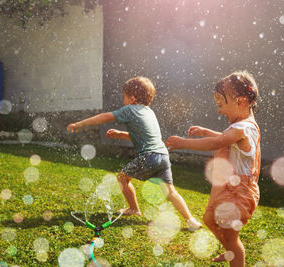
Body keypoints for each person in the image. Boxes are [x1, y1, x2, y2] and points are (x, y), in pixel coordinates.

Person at [67, 76, 202, 231]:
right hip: (163, 156)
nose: (123, 100)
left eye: (124, 96)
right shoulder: (149, 112)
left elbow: (106, 117)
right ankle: (191, 220)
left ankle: (134, 209)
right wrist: (121, 134)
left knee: (122, 178)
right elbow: (143, 135)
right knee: (171, 192)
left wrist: (81, 123)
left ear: (132, 98)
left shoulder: (130, 109)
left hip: (149, 155)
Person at [165, 71, 261, 266]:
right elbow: (226, 138)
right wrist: (205, 132)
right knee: (209, 218)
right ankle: (230, 251)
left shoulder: (246, 128)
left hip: (239, 192)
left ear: (241, 101)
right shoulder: (240, 127)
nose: (219, 111)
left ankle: (234, 254)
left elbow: (221, 141)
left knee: (232, 238)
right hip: (228, 187)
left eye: (221, 105)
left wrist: (184, 143)